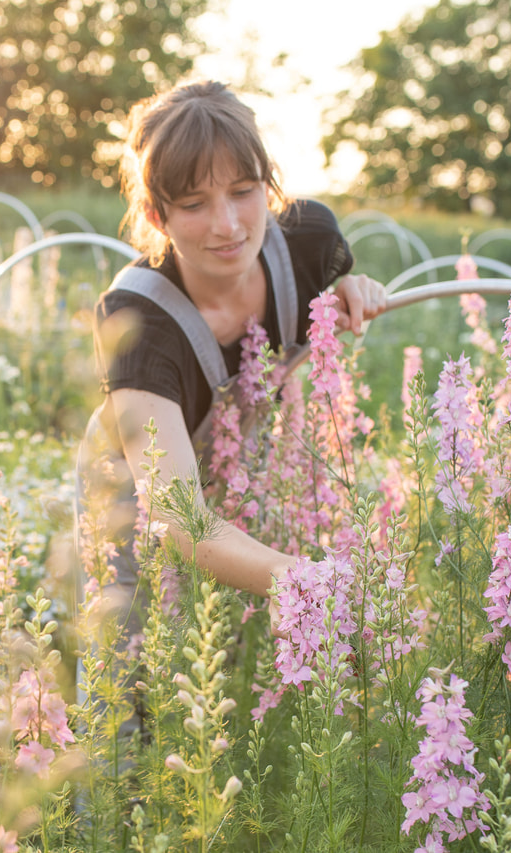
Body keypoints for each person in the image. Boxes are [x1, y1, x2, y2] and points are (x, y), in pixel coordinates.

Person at [77, 80, 387, 646]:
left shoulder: (307, 241)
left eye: (244, 191)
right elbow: (177, 519)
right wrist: (306, 578)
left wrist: (347, 288)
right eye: (194, 204)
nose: (228, 225)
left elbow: (309, 330)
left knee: (241, 649)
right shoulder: (138, 320)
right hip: (138, 490)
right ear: (157, 213)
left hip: (242, 463)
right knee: (128, 659)